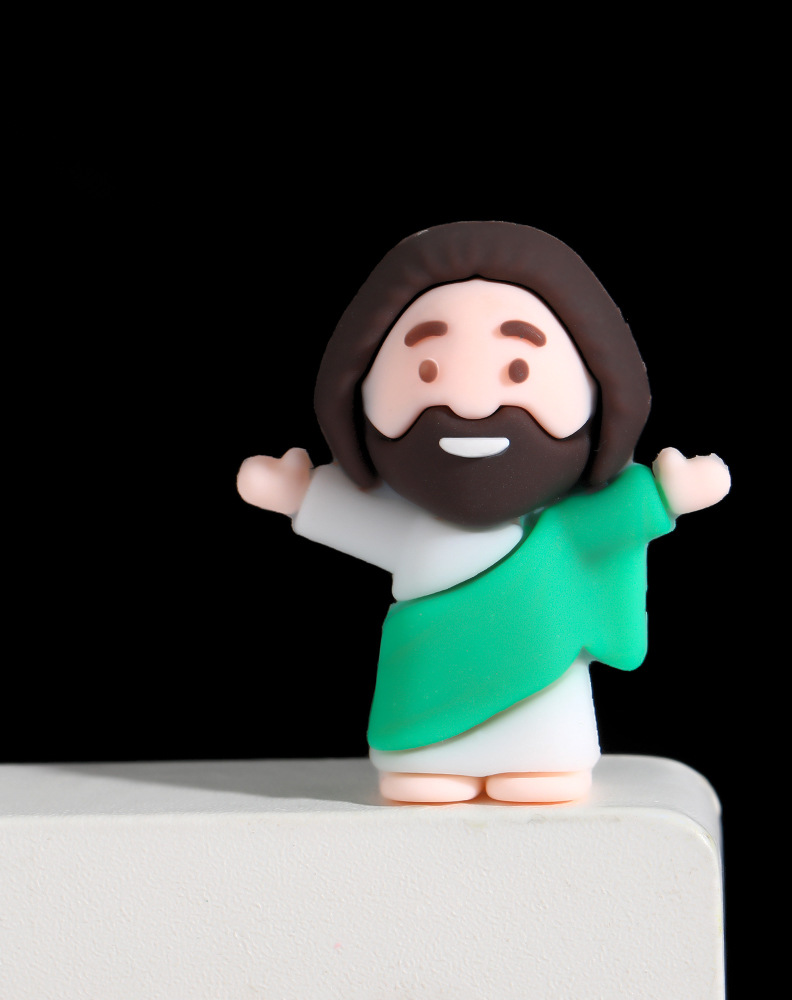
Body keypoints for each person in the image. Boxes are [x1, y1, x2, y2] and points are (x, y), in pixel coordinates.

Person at [237, 222, 730, 803]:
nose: (472, 404)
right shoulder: (414, 523)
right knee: (426, 764)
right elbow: (353, 515)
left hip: (544, 699)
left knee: (542, 745)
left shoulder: (568, 524)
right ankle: (430, 762)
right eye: (428, 371)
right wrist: (298, 494)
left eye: (517, 371)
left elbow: (624, 515)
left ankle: (541, 761)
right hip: (426, 695)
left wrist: (671, 493)